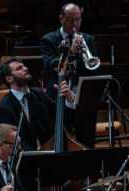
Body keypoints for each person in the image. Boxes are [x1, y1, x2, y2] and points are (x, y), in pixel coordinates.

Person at [40, 3, 98, 147]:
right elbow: (49, 66)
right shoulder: (49, 39)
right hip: (58, 96)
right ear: (61, 18)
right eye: (71, 20)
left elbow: (93, 69)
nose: (75, 24)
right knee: (62, 142)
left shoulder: (88, 39)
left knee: (86, 142)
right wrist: (70, 52)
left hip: (80, 97)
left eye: (78, 19)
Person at [0, 58, 76, 151]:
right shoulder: (5, 107)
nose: (25, 68)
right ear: (9, 78)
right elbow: (8, 142)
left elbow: (63, 118)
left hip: (51, 152)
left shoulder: (39, 94)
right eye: (19, 68)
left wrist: (69, 98)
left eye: (24, 66)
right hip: (26, 159)